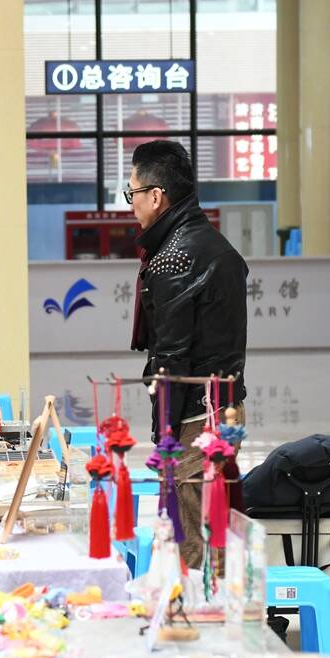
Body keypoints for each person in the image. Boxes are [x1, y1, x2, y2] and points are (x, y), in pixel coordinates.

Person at [126, 139, 248, 568]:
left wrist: (165, 434)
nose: (132, 206)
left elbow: (171, 359)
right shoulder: (213, 244)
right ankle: (220, 613)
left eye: (132, 194)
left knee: (191, 545)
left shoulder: (171, 258)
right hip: (224, 406)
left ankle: (201, 624)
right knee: (219, 531)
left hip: (195, 416)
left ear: (156, 196)